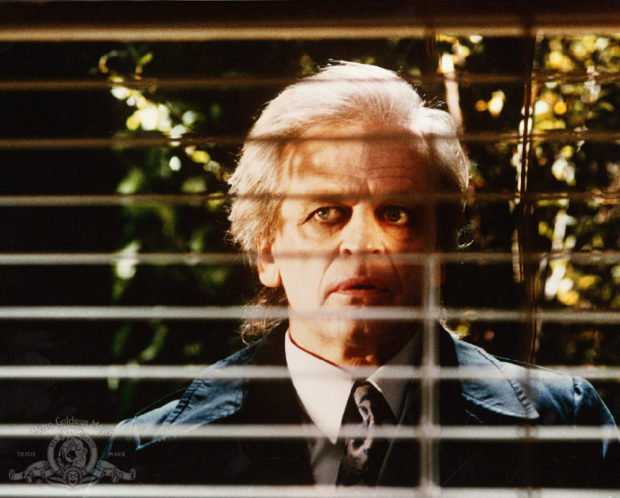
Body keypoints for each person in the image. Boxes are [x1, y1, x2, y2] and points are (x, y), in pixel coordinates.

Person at [99, 61, 619, 489]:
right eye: (326, 213)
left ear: (439, 251)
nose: (362, 243)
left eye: (396, 213)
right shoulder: (157, 454)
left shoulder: (564, 430)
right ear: (268, 254)